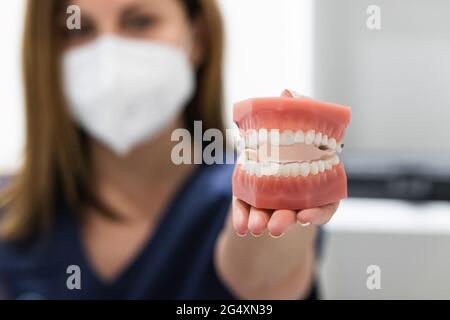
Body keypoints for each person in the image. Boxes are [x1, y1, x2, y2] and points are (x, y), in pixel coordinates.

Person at [0, 0, 339, 299]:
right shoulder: (12, 214)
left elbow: (263, 282)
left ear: (198, 38)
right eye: (79, 28)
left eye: (140, 21)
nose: (109, 58)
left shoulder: (229, 195)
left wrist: (282, 188)